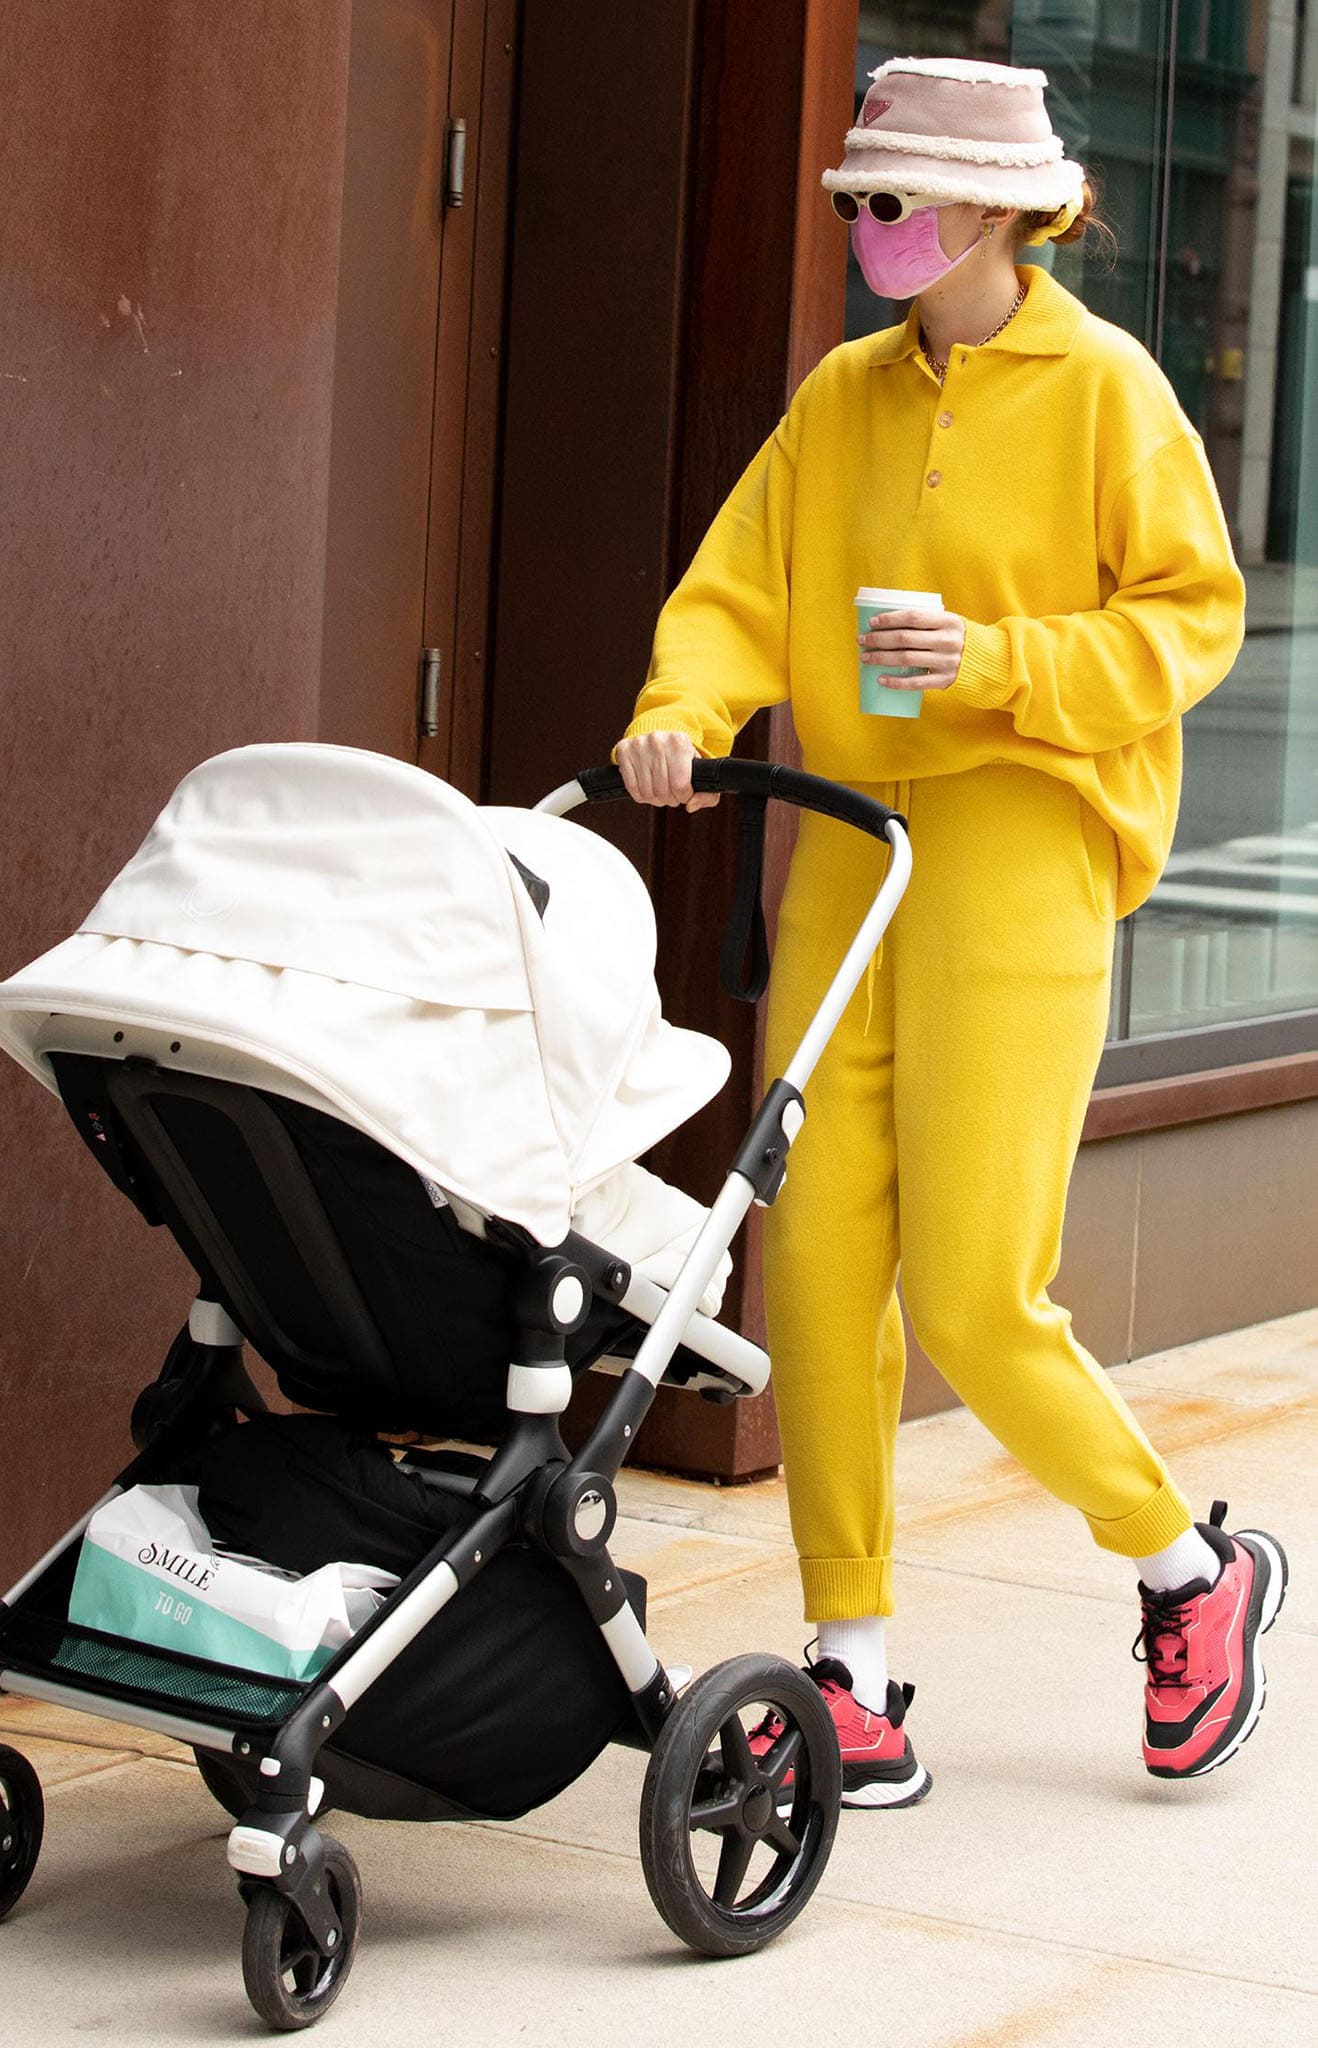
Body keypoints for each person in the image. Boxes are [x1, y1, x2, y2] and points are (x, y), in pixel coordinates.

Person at [614, 55, 1287, 1809]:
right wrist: (682, 708)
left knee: (978, 1296)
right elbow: (741, 590)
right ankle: (851, 1669)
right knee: (820, 1265)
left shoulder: (1107, 390)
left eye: (890, 203)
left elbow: (1190, 620)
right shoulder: (839, 396)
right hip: (848, 857)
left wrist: (991, 664)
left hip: (1019, 856)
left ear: (993, 210)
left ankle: (1185, 1570)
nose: (865, 231)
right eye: (853, 203)